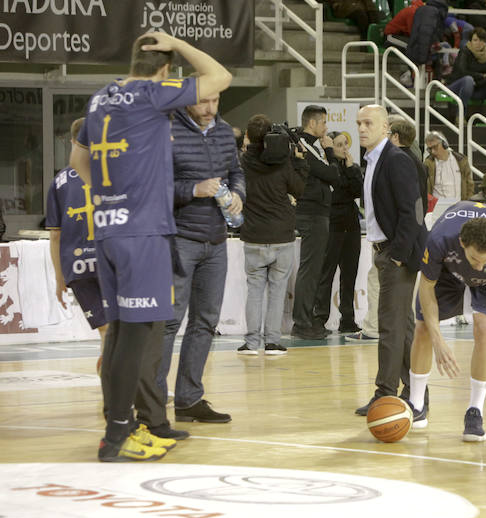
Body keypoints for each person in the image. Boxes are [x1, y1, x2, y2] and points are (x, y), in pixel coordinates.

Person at [70, 32, 233, 461]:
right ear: (165, 70)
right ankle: (117, 436)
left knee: (119, 335)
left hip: (108, 230)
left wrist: (112, 197)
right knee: (136, 338)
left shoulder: (101, 98)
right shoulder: (152, 93)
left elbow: (78, 161)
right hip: (142, 233)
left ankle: (124, 427)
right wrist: (178, 42)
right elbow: (220, 76)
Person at [156, 78, 246, 428]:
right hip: (179, 239)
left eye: (216, 101)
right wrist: (193, 189)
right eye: (203, 102)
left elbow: (236, 172)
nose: (210, 109)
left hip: (217, 240)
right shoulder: (167, 131)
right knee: (168, 322)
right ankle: (152, 401)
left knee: (205, 322)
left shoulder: (223, 132)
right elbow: (156, 187)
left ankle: (189, 399)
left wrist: (238, 194)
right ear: (188, 99)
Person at [407, 203, 486, 440]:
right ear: (462, 243)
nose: (479, 266)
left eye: (485, 260)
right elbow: (426, 288)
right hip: (448, 270)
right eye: (474, 258)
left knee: (484, 328)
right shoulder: (439, 239)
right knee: (423, 329)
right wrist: (438, 340)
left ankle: (475, 410)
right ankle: (416, 405)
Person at [354, 104, 428, 416]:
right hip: (384, 250)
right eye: (359, 123)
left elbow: (413, 212)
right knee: (403, 327)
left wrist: (397, 256)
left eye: (368, 123)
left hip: (396, 253)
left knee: (390, 328)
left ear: (386, 128)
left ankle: (385, 393)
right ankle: (416, 394)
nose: (361, 128)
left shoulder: (396, 159)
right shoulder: (372, 159)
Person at [238, 114, 309, 356]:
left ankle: (251, 343)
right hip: (282, 235)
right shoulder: (282, 162)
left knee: (254, 291)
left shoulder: (243, 163)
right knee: (277, 292)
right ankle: (272, 342)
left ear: (248, 136)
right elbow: (299, 189)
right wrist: (300, 163)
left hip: (253, 235)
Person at [47, 117, 108, 373]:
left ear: (72, 142)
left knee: (106, 330)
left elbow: (55, 235)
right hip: (109, 259)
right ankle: (118, 380)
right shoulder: (111, 171)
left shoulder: (58, 181)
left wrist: (59, 277)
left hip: (78, 265)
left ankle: (111, 376)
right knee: (118, 327)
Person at [290, 106, 342, 340]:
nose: (326, 128)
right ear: (312, 123)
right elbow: (331, 174)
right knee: (310, 270)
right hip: (311, 213)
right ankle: (302, 322)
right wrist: (330, 152)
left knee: (313, 269)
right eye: (323, 123)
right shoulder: (304, 145)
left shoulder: (313, 144)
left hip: (319, 212)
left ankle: (307, 319)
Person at [313, 131, 364, 335]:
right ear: (330, 148)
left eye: (345, 144)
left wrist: (351, 170)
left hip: (352, 225)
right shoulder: (327, 169)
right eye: (339, 145)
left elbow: (358, 192)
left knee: (350, 274)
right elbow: (339, 193)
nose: (345, 148)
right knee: (327, 273)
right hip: (332, 225)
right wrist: (347, 179)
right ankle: (320, 318)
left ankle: (348, 319)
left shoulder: (353, 168)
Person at [424, 130, 475, 223]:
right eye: (430, 149)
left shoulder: (461, 160)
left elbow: (469, 183)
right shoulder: (428, 164)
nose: (433, 151)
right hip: (438, 208)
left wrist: (467, 202)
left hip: (460, 206)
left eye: (435, 147)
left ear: (444, 144)